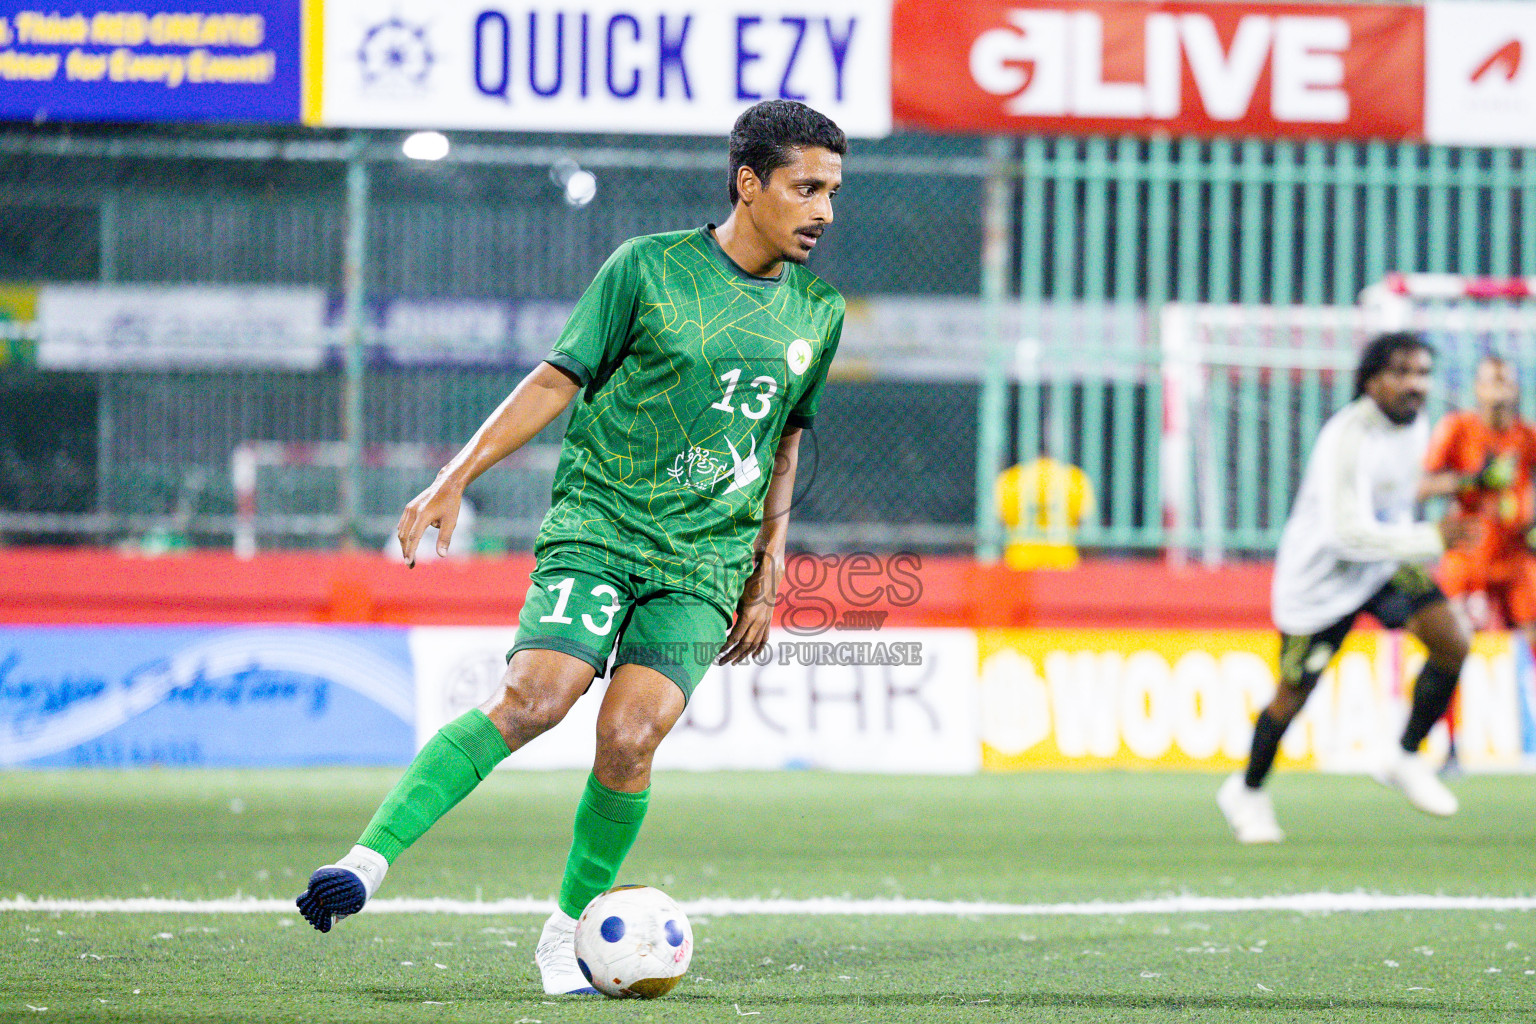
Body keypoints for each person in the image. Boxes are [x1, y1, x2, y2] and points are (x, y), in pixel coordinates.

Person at [295, 100, 847, 995]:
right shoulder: (649, 268)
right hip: (601, 526)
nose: (824, 210)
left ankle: (566, 937)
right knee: (535, 697)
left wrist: (767, 569)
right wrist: (455, 476)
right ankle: (365, 863)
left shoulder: (820, 312)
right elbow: (556, 379)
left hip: (704, 562)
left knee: (631, 738)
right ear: (750, 184)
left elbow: (784, 440)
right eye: (807, 187)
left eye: (833, 191)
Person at [1217, 332, 1474, 844]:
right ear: (1372, 380)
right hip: (1323, 580)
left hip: (1380, 564)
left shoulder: (1416, 425)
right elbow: (1344, 534)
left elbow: (1396, 500)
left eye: (1422, 373)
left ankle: (1402, 756)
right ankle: (1246, 791)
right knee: (1293, 695)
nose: (1414, 384)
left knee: (1453, 640)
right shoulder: (1347, 438)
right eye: (1401, 373)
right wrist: (1429, 537)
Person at [1420, 354, 1536, 656]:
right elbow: (1422, 487)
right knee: (1456, 640)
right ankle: (1452, 702)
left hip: (1514, 553)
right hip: (1468, 550)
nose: (1499, 390)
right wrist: (1474, 480)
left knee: (1531, 632)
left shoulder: (1526, 435)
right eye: (1491, 381)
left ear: (1516, 388)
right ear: (1477, 388)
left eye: (1505, 381)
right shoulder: (1456, 428)